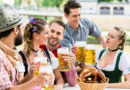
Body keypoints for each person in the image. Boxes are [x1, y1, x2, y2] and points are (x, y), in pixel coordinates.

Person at [0, 4, 49, 90]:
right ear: (15, 29)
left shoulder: (8, 54)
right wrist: (36, 81)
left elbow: (16, 86)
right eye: (21, 27)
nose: (23, 32)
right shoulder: (1, 56)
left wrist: (30, 75)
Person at [19, 17, 64, 90]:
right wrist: (30, 74)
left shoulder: (48, 54)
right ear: (36, 35)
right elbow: (19, 85)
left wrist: (58, 86)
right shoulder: (20, 56)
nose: (49, 35)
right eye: (46, 33)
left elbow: (60, 79)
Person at [40, 20, 77, 87]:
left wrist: (71, 65)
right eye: (52, 31)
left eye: (58, 33)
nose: (54, 35)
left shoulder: (63, 54)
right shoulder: (38, 48)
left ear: (62, 36)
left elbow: (73, 83)